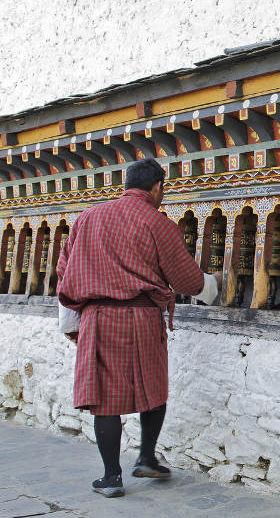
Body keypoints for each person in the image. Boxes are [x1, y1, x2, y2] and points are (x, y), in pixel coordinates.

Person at [57, 158, 219, 497]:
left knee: (105, 398)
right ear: (157, 187)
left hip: (98, 318)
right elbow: (185, 278)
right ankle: (146, 457)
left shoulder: (87, 218)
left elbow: (65, 271)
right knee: (152, 387)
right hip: (143, 317)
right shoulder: (157, 223)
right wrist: (212, 286)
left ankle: (111, 477)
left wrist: (70, 322)